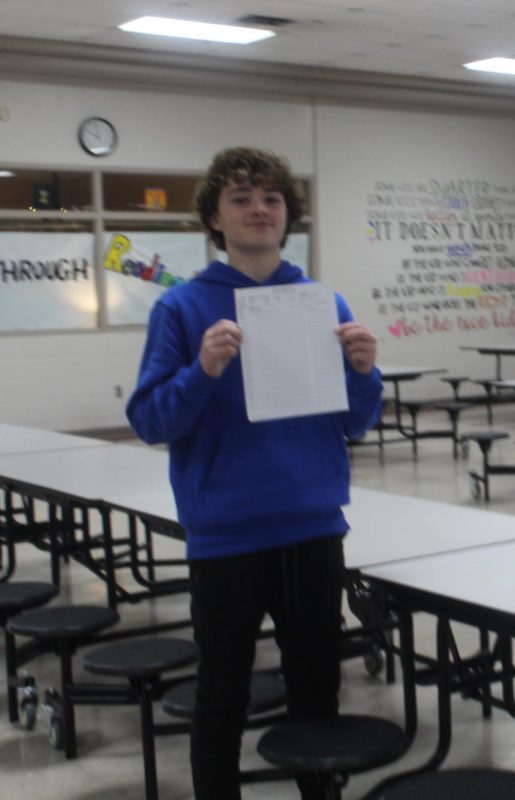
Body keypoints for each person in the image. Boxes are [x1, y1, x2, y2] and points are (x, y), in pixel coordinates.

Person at [126, 147, 383, 799]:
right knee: (224, 694)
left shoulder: (320, 301)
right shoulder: (183, 310)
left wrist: (363, 372)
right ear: (215, 218)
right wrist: (202, 371)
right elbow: (152, 420)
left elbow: (354, 423)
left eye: (271, 198)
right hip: (228, 534)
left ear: (288, 215)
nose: (258, 210)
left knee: (317, 691)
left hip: (313, 525)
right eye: (241, 198)